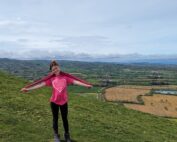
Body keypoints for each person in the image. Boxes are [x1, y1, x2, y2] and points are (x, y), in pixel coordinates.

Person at [21, 60, 93, 142]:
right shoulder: (51, 79)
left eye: (56, 68)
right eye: (53, 69)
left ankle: (67, 135)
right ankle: (56, 135)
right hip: (54, 102)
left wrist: (86, 85)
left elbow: (76, 81)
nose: (56, 70)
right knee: (55, 119)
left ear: (59, 68)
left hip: (64, 102)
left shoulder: (66, 78)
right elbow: (40, 85)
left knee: (65, 119)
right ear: (52, 71)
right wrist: (28, 89)